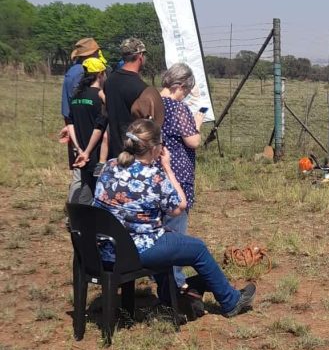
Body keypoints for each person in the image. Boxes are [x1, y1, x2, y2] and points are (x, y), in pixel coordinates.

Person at [93, 119, 255, 317]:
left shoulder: (109, 167)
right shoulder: (154, 176)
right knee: (197, 248)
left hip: (103, 247)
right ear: (155, 148)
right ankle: (231, 301)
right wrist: (167, 167)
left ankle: (170, 298)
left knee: (167, 238)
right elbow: (179, 206)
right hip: (135, 251)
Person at [159, 63, 205, 290]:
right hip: (177, 174)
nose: (185, 94)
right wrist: (197, 124)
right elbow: (193, 141)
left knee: (158, 227)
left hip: (156, 172)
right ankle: (174, 285)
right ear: (178, 86)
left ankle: (161, 278)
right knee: (176, 231)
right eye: (186, 90)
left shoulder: (153, 103)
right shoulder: (178, 109)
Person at [103, 38, 164, 159]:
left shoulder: (109, 81)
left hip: (115, 154)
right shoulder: (143, 89)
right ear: (140, 56)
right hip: (135, 157)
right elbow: (154, 127)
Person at [61, 38, 102, 201]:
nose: (99, 54)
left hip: (73, 126)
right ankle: (76, 217)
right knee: (82, 176)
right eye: (97, 52)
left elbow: (68, 108)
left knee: (80, 174)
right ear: (91, 54)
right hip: (86, 130)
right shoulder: (83, 72)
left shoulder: (71, 71)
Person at [67, 58, 108, 204]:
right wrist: (88, 151)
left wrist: (79, 149)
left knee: (86, 185)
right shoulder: (100, 98)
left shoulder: (76, 95)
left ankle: (78, 220)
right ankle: (83, 222)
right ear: (100, 74)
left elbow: (70, 123)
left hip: (81, 150)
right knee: (94, 189)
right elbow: (99, 127)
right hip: (95, 152)